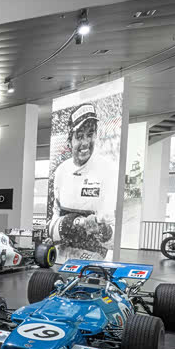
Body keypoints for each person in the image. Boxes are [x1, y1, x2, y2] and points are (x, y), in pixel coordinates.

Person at [48, 103, 115, 260]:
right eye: (79, 136)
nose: (85, 142)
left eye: (90, 135)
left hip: (95, 260)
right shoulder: (60, 171)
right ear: (69, 141)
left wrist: (103, 230)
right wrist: (74, 223)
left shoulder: (108, 171)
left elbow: (114, 237)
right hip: (61, 258)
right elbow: (51, 225)